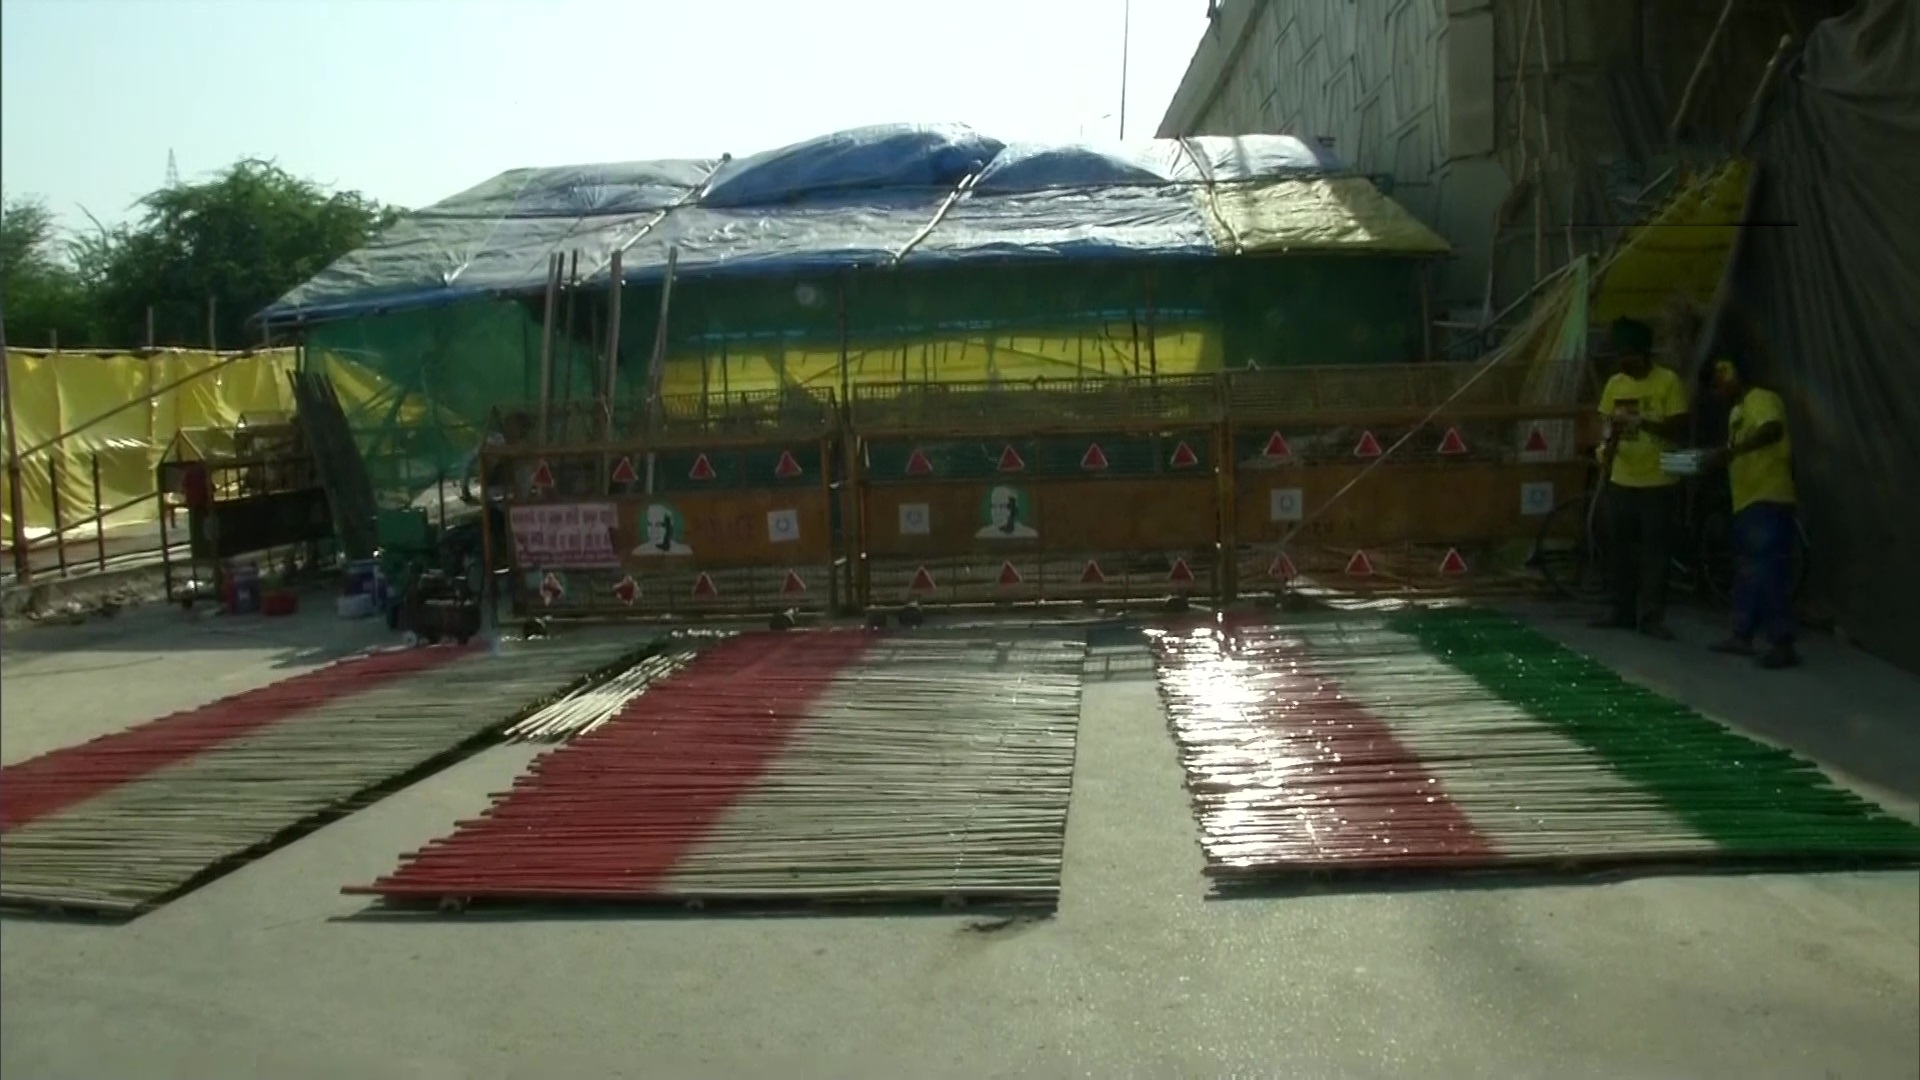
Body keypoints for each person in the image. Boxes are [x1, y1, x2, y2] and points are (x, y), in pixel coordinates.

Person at [1593, 317, 1690, 639]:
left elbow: (1678, 429)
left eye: (1627, 356)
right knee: (1619, 549)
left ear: (1642, 353)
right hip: (1622, 479)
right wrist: (1606, 448)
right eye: (1620, 358)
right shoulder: (1615, 385)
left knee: (1654, 552)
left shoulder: (1668, 382)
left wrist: (1642, 422)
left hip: (1658, 482)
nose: (1623, 364)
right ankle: (1621, 610)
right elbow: (1605, 427)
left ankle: (1651, 617)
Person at [1703, 357, 1800, 668]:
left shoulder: (1761, 399)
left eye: (1725, 377)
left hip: (1767, 497)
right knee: (1747, 571)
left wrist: (1733, 452)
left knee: (1769, 572)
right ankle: (1742, 635)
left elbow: (1771, 430)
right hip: (1746, 500)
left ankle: (1782, 643)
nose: (1722, 386)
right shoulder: (1737, 411)